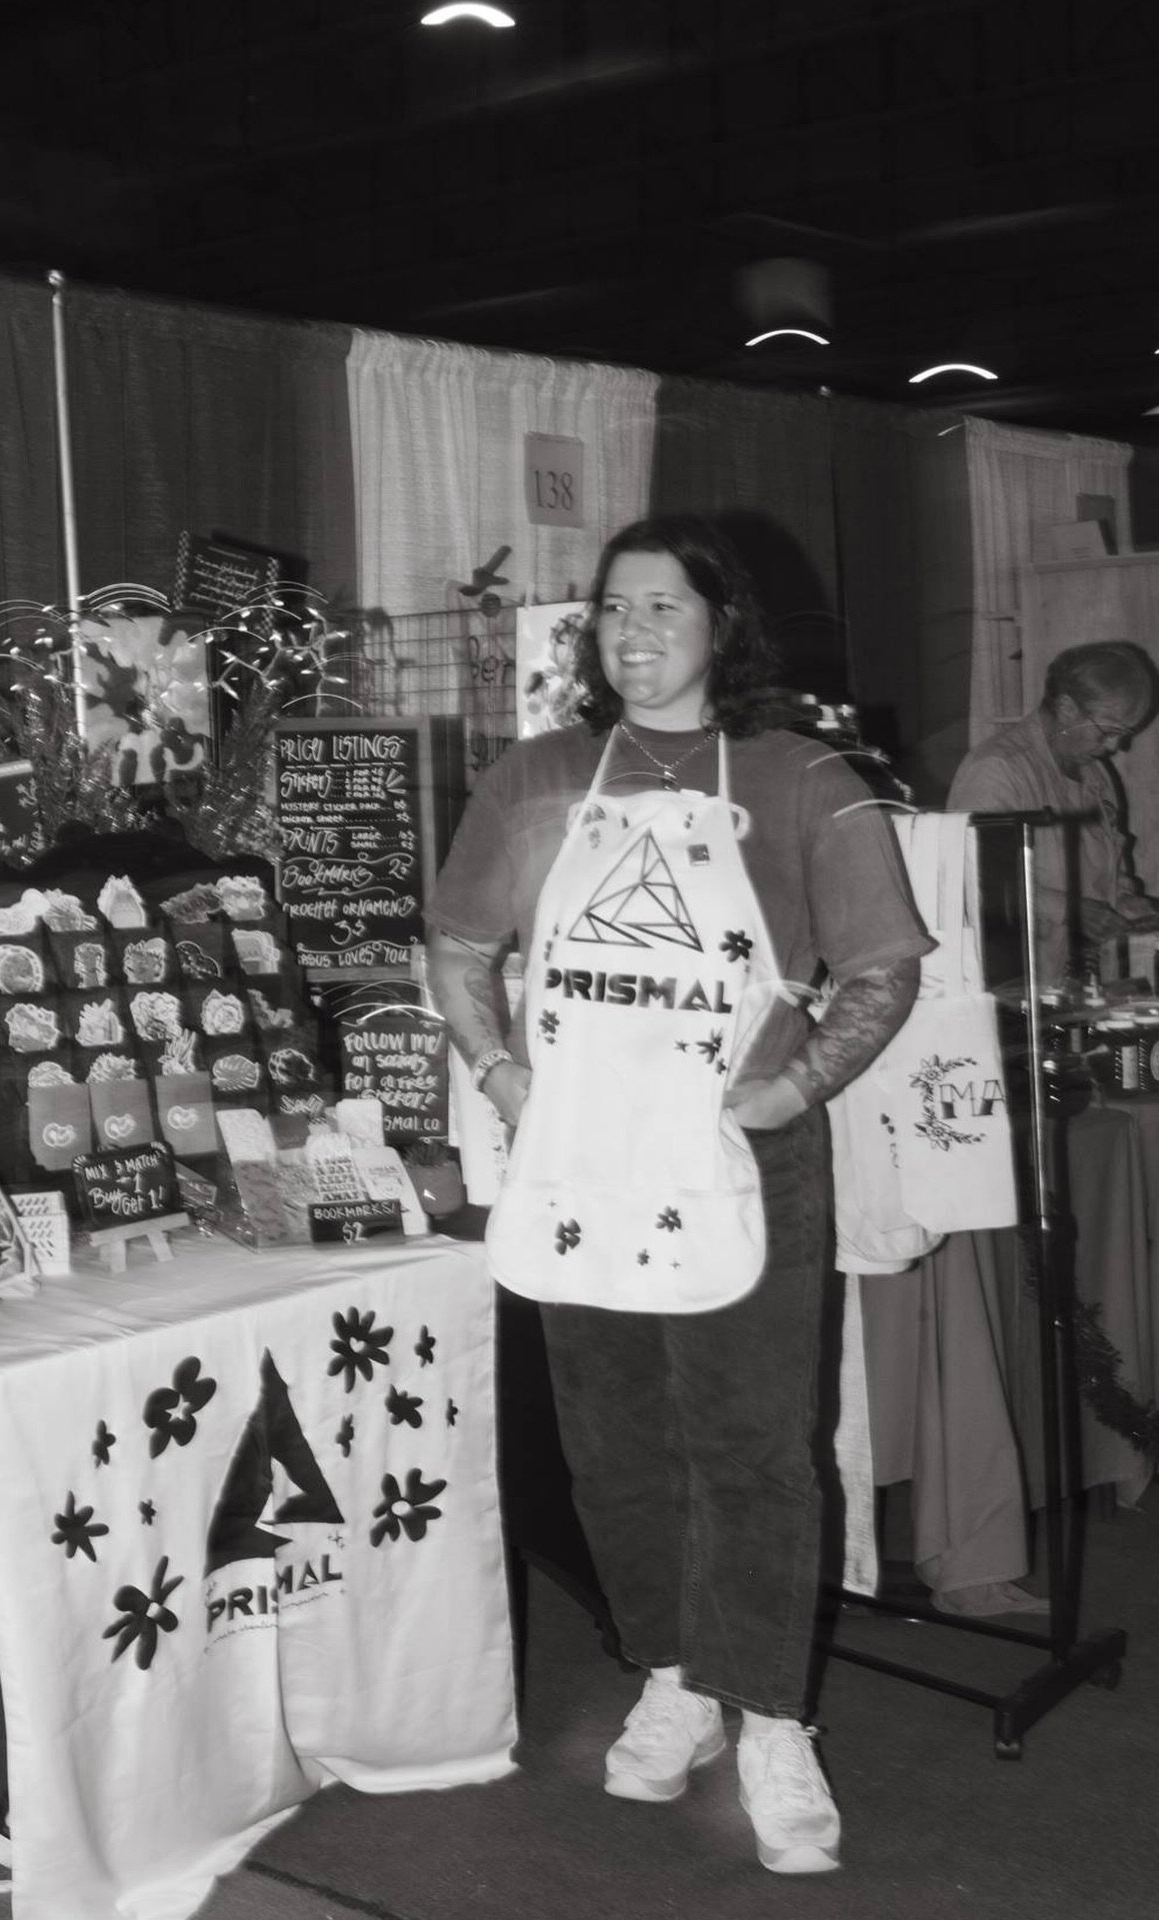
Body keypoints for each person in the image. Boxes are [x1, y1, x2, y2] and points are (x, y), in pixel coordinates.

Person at [425, 514, 933, 1876]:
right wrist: (497, 1069)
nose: (633, 634)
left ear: (722, 627)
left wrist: (789, 1089)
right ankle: (673, 1671)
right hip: (583, 1155)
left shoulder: (804, 777)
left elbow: (883, 968)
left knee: (757, 1445)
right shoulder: (535, 779)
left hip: (740, 1161)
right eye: (612, 611)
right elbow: (461, 942)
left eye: (664, 609)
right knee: (611, 1435)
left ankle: (772, 1715)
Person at [947, 641, 1159, 985]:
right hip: (1012, 985)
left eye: (1124, 734)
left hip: (1079, 987)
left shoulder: (1095, 775)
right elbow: (972, 883)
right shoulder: (997, 771)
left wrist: (1127, 904)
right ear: (1066, 708)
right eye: (1108, 731)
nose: (1115, 748)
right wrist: (1069, 910)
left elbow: (1107, 872)